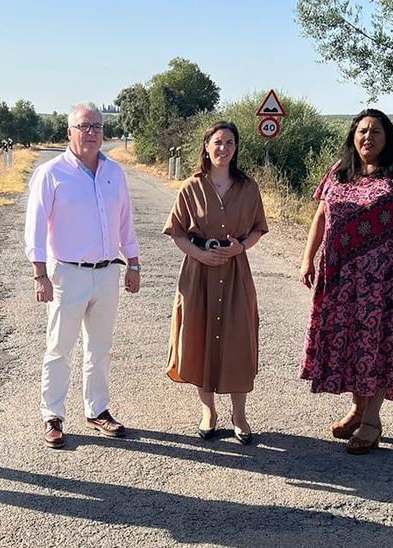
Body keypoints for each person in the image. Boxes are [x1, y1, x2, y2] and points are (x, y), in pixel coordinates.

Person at [299, 108, 393, 455]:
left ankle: (372, 420)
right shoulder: (340, 171)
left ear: (387, 138)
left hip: (387, 281)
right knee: (356, 345)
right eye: (361, 132)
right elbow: (321, 217)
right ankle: (358, 410)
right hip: (343, 279)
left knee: (381, 344)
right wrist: (307, 258)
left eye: (375, 132)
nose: (367, 138)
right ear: (352, 136)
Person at [23, 102, 141, 449]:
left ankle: (98, 410)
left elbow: (125, 223)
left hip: (107, 274)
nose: (91, 133)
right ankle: (53, 416)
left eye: (97, 127)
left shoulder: (114, 172)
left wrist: (133, 263)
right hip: (66, 275)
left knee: (100, 348)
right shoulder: (51, 173)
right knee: (59, 348)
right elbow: (34, 229)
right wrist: (39, 274)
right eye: (84, 126)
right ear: (69, 131)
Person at [163, 121, 268, 445]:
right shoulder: (191, 187)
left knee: (238, 342)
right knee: (199, 340)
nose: (223, 148)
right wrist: (198, 253)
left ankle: (239, 415)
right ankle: (208, 411)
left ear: (236, 149)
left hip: (236, 274)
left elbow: (257, 228)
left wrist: (242, 247)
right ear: (206, 146)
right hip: (199, 275)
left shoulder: (248, 187)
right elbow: (177, 233)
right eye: (217, 142)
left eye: (230, 143)